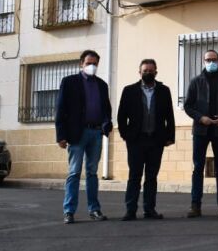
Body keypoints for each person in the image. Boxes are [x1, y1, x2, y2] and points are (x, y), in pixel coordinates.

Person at [56, 49, 112, 224]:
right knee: (74, 172)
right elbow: (61, 109)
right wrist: (61, 135)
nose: (92, 66)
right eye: (88, 63)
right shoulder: (69, 82)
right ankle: (69, 211)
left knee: (92, 173)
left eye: (95, 63)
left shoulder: (102, 85)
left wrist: (106, 125)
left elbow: (106, 109)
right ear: (81, 64)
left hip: (96, 133)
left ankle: (94, 209)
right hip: (76, 134)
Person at [183, 49, 218, 218]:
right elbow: (188, 106)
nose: (211, 62)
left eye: (214, 59)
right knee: (198, 168)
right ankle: (195, 205)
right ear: (204, 61)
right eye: (208, 60)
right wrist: (201, 118)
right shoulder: (195, 82)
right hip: (200, 131)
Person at [117, 59, 175, 221]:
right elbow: (121, 116)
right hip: (136, 140)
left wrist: (170, 136)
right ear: (139, 72)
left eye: (151, 70)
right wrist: (125, 135)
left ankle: (149, 209)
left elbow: (169, 115)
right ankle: (130, 210)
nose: (148, 73)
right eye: (145, 71)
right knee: (134, 176)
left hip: (156, 140)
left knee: (151, 176)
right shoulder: (129, 90)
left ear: (156, 72)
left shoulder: (164, 91)